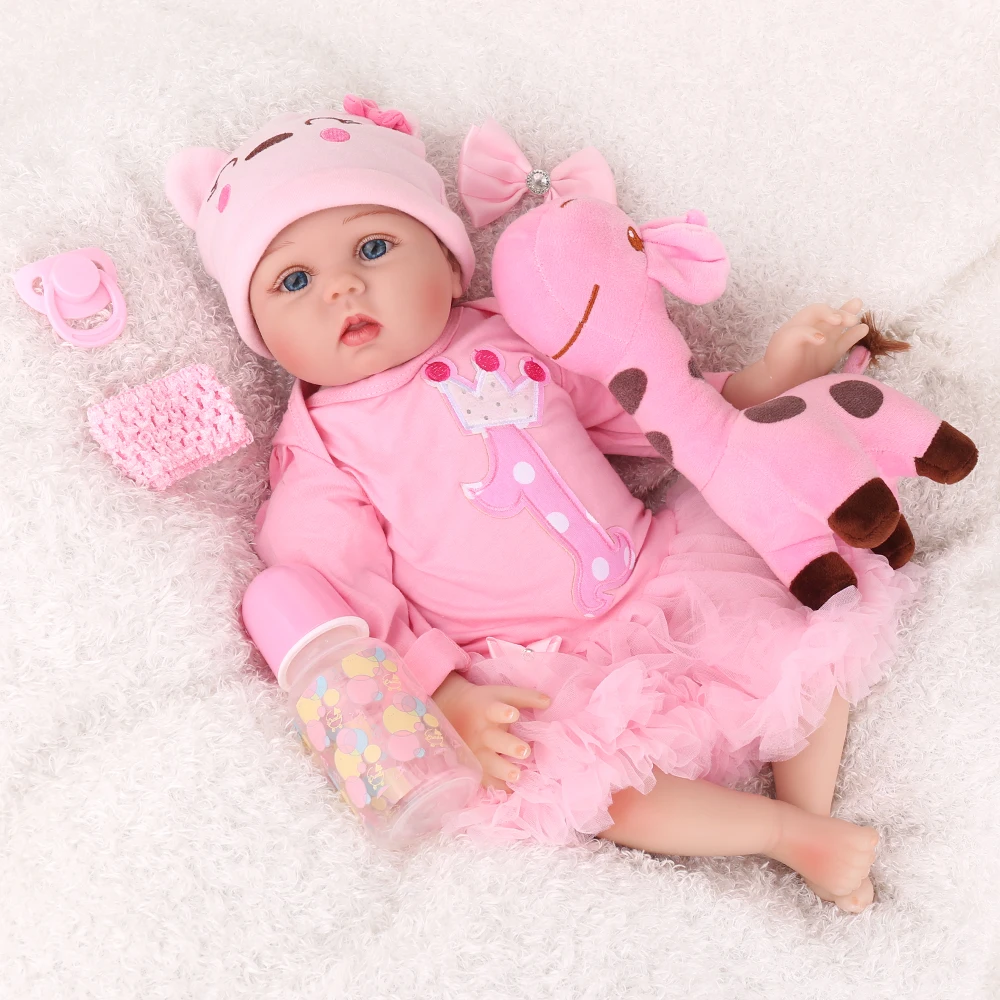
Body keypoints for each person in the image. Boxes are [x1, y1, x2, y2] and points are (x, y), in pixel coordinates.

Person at [165, 95, 921, 914]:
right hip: (533, 659)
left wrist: (766, 379)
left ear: (449, 261)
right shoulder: (321, 446)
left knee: (806, 586)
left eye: (374, 247)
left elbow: (646, 406)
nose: (342, 287)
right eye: (294, 280)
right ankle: (784, 835)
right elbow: (342, 595)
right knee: (573, 782)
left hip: (660, 568)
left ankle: (811, 812)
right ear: (260, 331)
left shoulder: (513, 337)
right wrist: (442, 691)